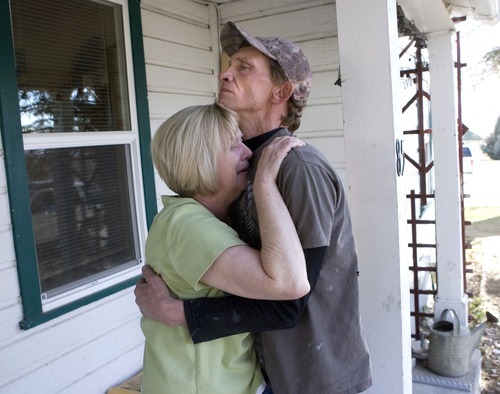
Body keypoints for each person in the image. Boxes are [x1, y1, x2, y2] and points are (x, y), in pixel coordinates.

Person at [136, 22, 373, 394]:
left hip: (312, 376)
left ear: (281, 91)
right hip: (269, 371)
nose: (225, 73)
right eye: (230, 64)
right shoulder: (238, 167)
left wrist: (178, 313)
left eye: (244, 67)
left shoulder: (297, 167)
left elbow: (290, 300)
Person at [140, 103, 309, 394]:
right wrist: (265, 182)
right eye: (234, 146)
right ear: (200, 161)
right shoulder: (188, 224)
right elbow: (290, 283)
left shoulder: (195, 218)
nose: (247, 152)